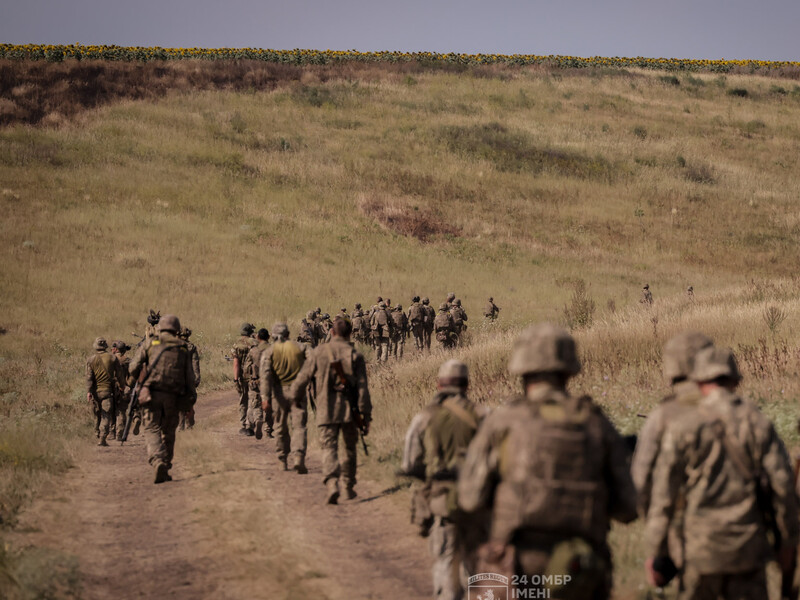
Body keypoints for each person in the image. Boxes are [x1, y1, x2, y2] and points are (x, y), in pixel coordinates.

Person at [458, 324, 637, 599]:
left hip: (515, 571)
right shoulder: (595, 424)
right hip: (580, 572)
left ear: (522, 370)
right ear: (568, 370)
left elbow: (470, 498)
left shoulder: (502, 423)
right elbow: (628, 507)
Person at [645, 346, 799, 599]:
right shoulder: (757, 422)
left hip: (698, 551)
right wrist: (788, 543)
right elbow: (783, 486)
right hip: (747, 551)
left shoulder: (684, 426)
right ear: (735, 380)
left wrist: (657, 552)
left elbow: (663, 495)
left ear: (698, 382)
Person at [401, 359, 485, 600]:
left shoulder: (425, 417)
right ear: (467, 385)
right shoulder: (483, 415)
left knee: (446, 559)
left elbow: (409, 463)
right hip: (476, 502)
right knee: (476, 565)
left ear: (438, 384)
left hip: (442, 501)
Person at [289, 317, 371, 503]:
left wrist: (295, 397)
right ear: (350, 333)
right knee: (350, 449)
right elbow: (363, 389)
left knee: (329, 447)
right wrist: (366, 415)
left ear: (332, 332)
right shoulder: (355, 355)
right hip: (351, 411)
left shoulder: (319, 353)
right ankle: (349, 486)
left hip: (326, 409)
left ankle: (332, 482)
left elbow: (302, 378)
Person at [128, 314, 196, 484]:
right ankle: (166, 464)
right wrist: (190, 401)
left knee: (151, 429)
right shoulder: (183, 347)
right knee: (169, 432)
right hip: (173, 396)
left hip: (151, 394)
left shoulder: (150, 342)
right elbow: (189, 378)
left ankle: (158, 460)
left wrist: (140, 380)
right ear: (177, 329)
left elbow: (133, 367)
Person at [260, 323, 309, 473]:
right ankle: (298, 457)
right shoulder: (301, 347)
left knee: (280, 427)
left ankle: (282, 460)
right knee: (299, 426)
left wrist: (265, 397)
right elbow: (314, 362)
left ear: (274, 336)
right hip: (298, 393)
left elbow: (265, 375)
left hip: (279, 395)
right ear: (288, 334)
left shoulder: (270, 352)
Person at [86, 337, 122, 446]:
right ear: (105, 346)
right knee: (106, 414)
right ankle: (102, 437)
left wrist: (89, 391)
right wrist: (122, 386)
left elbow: (88, 378)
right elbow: (119, 374)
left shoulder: (90, 359)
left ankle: (96, 432)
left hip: (95, 392)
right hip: (108, 392)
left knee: (97, 413)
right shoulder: (112, 358)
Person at [231, 323, 257, 435]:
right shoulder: (255, 343)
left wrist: (236, 379)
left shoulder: (236, 345)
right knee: (253, 400)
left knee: (242, 400)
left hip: (242, 377)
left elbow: (236, 364)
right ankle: (251, 425)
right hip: (253, 376)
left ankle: (243, 424)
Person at [244, 328, 270, 439]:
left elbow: (246, 367)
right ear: (268, 337)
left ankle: (258, 419)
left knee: (255, 402)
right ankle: (268, 430)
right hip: (269, 381)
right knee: (269, 404)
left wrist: (248, 379)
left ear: (258, 337)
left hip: (256, 380)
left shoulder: (253, 351)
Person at [110, 340, 135, 440]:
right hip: (124, 388)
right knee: (121, 411)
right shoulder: (128, 360)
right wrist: (128, 386)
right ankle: (120, 434)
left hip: (111, 388)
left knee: (111, 411)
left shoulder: (110, 359)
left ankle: (111, 433)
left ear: (115, 349)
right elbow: (133, 375)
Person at [177, 327, 201, 431]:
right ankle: (189, 425)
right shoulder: (192, 347)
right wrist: (197, 378)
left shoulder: (174, 346)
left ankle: (180, 426)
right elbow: (195, 364)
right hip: (189, 378)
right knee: (190, 401)